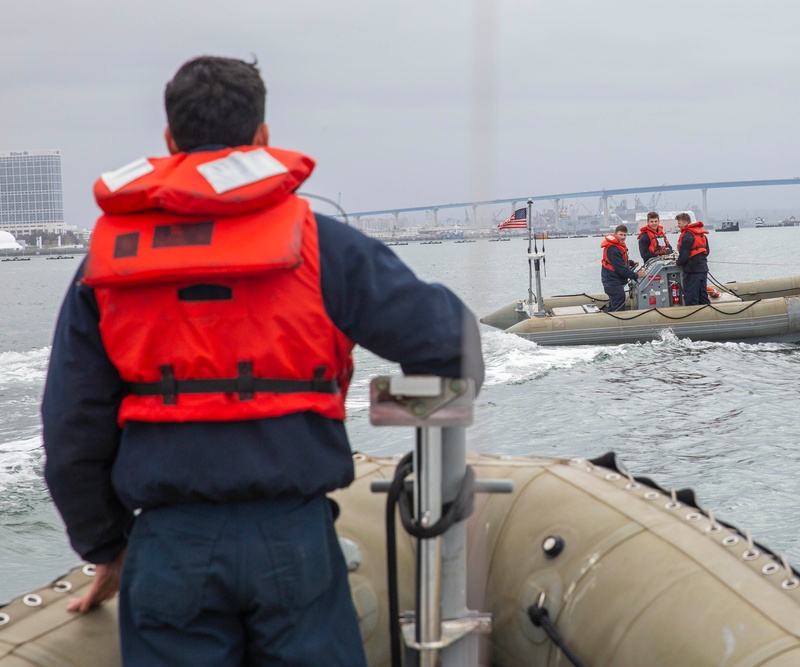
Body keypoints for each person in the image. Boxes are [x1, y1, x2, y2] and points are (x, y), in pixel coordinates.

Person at [41, 55, 485, 667]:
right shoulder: (324, 245)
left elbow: (70, 429)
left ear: (170, 141)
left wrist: (108, 545)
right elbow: (450, 343)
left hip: (168, 547)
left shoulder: (105, 265)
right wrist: (391, 401)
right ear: (262, 139)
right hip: (293, 543)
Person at [601, 224, 646, 311]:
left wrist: (631, 263)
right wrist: (637, 275)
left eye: (625, 235)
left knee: (615, 302)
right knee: (618, 301)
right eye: (621, 234)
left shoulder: (618, 246)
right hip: (612, 281)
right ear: (615, 234)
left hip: (612, 280)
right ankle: (615, 321)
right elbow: (621, 269)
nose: (623, 237)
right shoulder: (613, 249)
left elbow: (620, 261)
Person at [675, 212, 711, 305]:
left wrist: (678, 263)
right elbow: (707, 251)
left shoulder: (687, 235)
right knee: (703, 295)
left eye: (679, 223)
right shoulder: (701, 234)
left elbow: (684, 254)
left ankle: (695, 316)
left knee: (691, 297)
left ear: (685, 222)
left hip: (692, 271)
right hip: (703, 269)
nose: (678, 225)